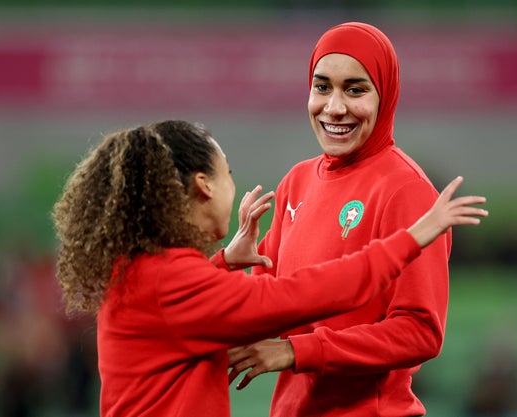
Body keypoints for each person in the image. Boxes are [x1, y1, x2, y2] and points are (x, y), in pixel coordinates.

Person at [51, 119, 487, 417]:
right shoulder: (172, 280)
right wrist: (412, 237)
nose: (233, 186)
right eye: (228, 174)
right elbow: (306, 295)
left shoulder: (144, 270)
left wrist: (223, 262)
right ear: (203, 186)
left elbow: (182, 313)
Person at [225, 22, 460, 416]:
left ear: (385, 95)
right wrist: (234, 265)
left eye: (355, 89)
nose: (334, 107)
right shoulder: (296, 183)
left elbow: (420, 332)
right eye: (322, 87)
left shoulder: (407, 191)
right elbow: (270, 313)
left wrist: (297, 350)